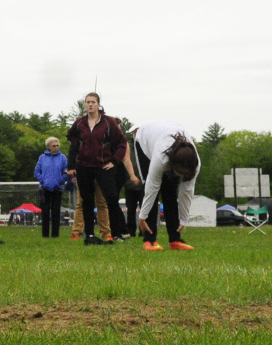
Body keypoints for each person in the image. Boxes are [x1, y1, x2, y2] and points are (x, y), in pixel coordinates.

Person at [66, 92, 128, 245]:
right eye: (87, 102)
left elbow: (122, 142)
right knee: (86, 201)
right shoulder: (80, 123)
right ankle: (89, 234)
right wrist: (72, 164)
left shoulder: (108, 123)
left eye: (93, 102)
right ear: (85, 104)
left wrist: (114, 160)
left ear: (99, 104)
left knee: (111, 198)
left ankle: (115, 233)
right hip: (84, 166)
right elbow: (72, 139)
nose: (90, 105)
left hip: (103, 166)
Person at [134, 121, 200, 251]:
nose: (181, 175)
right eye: (179, 172)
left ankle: (175, 239)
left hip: (165, 139)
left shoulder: (195, 164)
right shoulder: (161, 158)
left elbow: (186, 192)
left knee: (170, 192)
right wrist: (142, 217)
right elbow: (151, 190)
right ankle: (149, 239)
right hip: (144, 141)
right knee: (150, 187)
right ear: (173, 164)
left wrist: (184, 219)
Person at [34, 137, 69, 238]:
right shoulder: (42, 158)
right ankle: (45, 235)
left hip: (57, 188)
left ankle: (55, 235)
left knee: (56, 212)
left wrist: (60, 181)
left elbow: (66, 172)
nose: (56, 147)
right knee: (44, 212)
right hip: (44, 189)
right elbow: (36, 171)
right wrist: (43, 181)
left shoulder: (63, 158)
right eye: (54, 146)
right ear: (49, 147)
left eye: (57, 145)